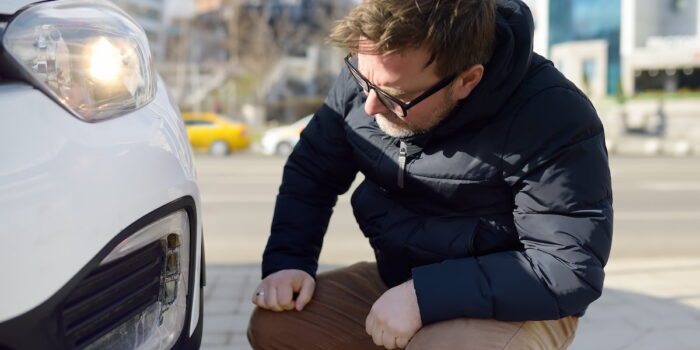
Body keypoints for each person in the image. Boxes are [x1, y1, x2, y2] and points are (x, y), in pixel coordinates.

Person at [247, 0, 613, 349]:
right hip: (403, 277)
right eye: (362, 77)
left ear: (467, 80)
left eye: (395, 96)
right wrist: (289, 262)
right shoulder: (373, 80)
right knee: (277, 326)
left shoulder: (552, 114)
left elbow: (566, 268)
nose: (370, 104)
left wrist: (424, 295)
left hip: (519, 300)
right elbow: (312, 172)